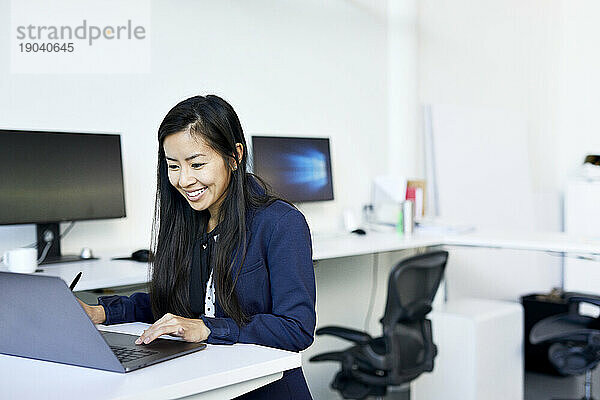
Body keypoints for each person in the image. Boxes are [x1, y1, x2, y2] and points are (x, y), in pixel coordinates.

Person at [78, 95, 316, 399]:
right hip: (207, 383)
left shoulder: (281, 223)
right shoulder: (188, 220)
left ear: (234, 156)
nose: (185, 180)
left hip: (264, 387)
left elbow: (296, 328)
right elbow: (172, 306)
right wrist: (101, 313)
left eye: (197, 164)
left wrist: (208, 328)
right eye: (173, 166)